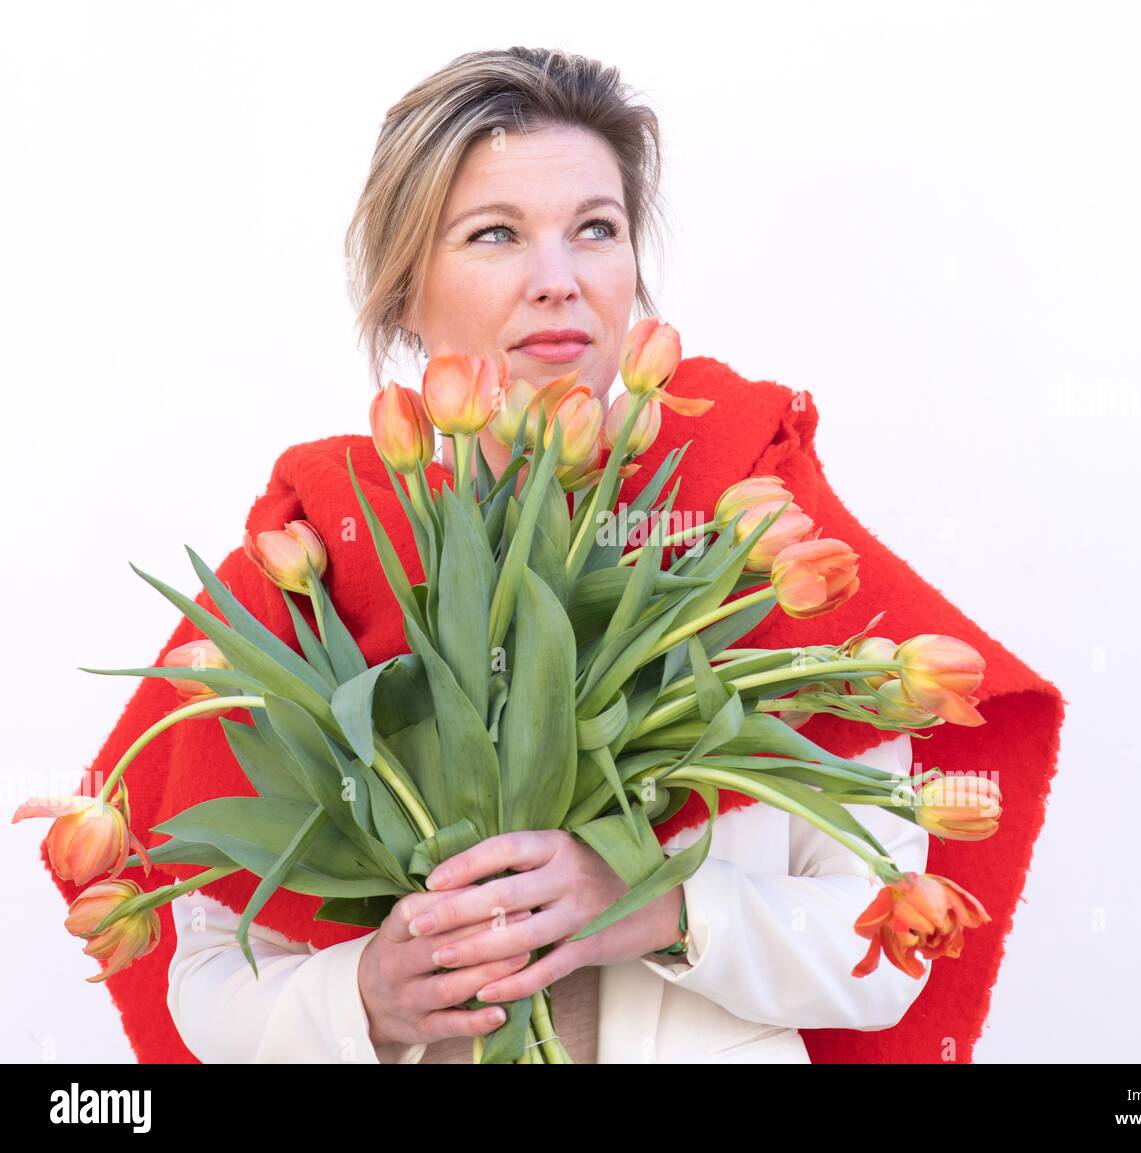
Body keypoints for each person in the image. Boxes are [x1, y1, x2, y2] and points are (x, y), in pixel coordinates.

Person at [45, 47, 1064, 1064]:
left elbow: (878, 956)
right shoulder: (318, 553)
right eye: (496, 234)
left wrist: (654, 906)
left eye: (596, 231)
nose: (559, 282)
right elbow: (211, 979)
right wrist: (363, 993)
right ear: (404, 291)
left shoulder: (751, 524)